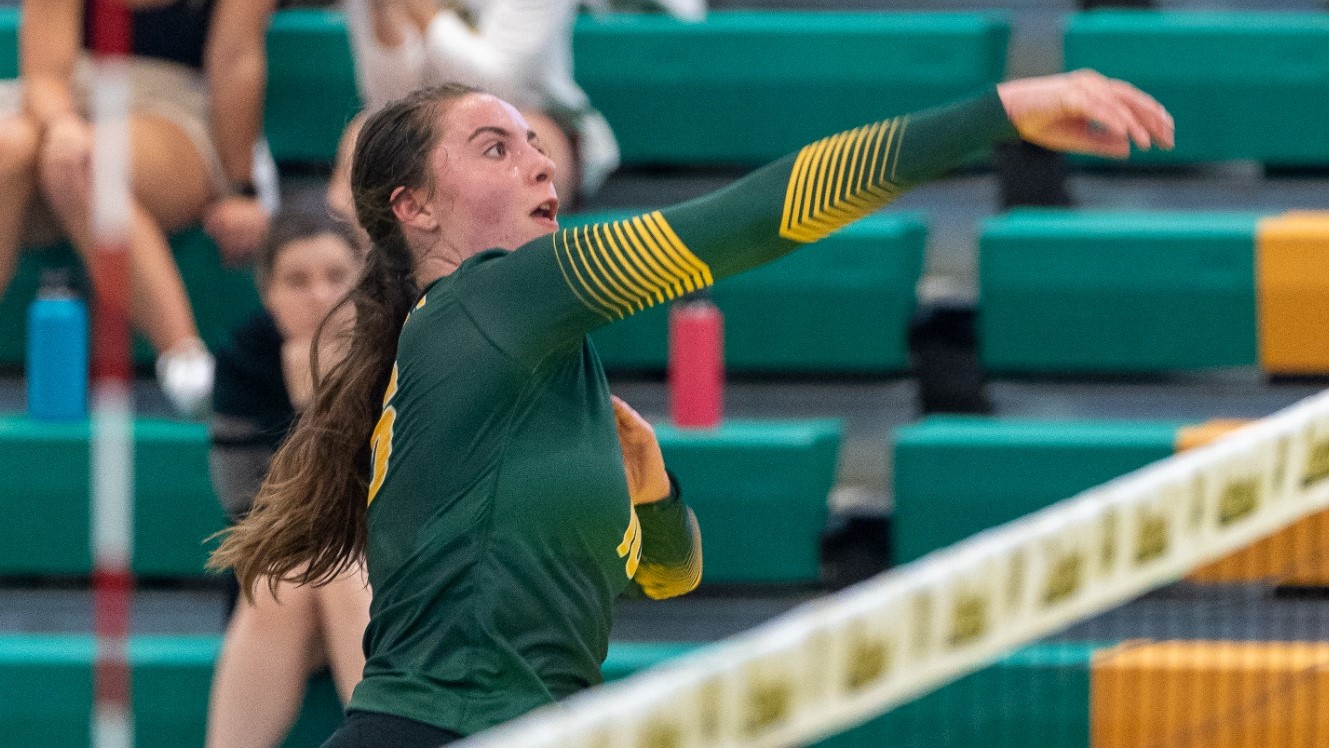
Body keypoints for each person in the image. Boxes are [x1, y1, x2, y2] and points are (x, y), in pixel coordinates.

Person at [211, 70, 1173, 746]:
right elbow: (754, 219)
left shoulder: (542, 371)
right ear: (412, 206)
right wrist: (995, 112)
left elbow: (667, 577)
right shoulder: (489, 303)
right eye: (494, 148)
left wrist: (656, 491)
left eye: (539, 146)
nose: (539, 166)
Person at [0, 0, 279, 416]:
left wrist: (241, 189)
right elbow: (43, 75)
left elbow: (235, 61)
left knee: (86, 164)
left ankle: (186, 363)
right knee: (9, 147)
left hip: (172, 106)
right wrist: (61, 125)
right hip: (56, 101)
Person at [205, 212, 369, 748]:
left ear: (364, 282)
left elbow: (405, 508)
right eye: (296, 281)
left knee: (339, 571)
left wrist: (320, 405)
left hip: (390, 575)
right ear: (268, 292)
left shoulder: (405, 348)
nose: (319, 296)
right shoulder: (245, 361)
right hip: (284, 570)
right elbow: (247, 515)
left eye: (336, 277)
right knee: (287, 580)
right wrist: (311, 412)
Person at [329, 0, 628, 224]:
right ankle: (379, 301)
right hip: (421, 115)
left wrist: (418, 8)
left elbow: (499, 84)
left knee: (524, 141)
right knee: (362, 140)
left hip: (528, 109)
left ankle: (507, 296)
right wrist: (382, 15)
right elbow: (386, 98)